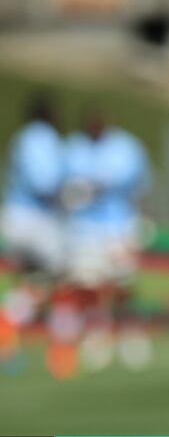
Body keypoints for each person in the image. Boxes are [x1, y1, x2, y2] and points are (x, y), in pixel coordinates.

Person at [53, 106, 151, 378]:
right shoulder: (74, 148)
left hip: (119, 225)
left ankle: (132, 332)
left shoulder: (126, 147)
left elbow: (138, 185)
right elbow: (62, 187)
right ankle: (98, 334)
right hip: (85, 228)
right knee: (89, 284)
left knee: (123, 284)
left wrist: (142, 220)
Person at [0, 93, 65, 371]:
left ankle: (9, 344)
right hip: (33, 220)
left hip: (16, 218)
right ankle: (7, 325)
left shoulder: (23, 137)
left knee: (31, 281)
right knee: (62, 273)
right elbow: (44, 182)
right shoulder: (41, 138)